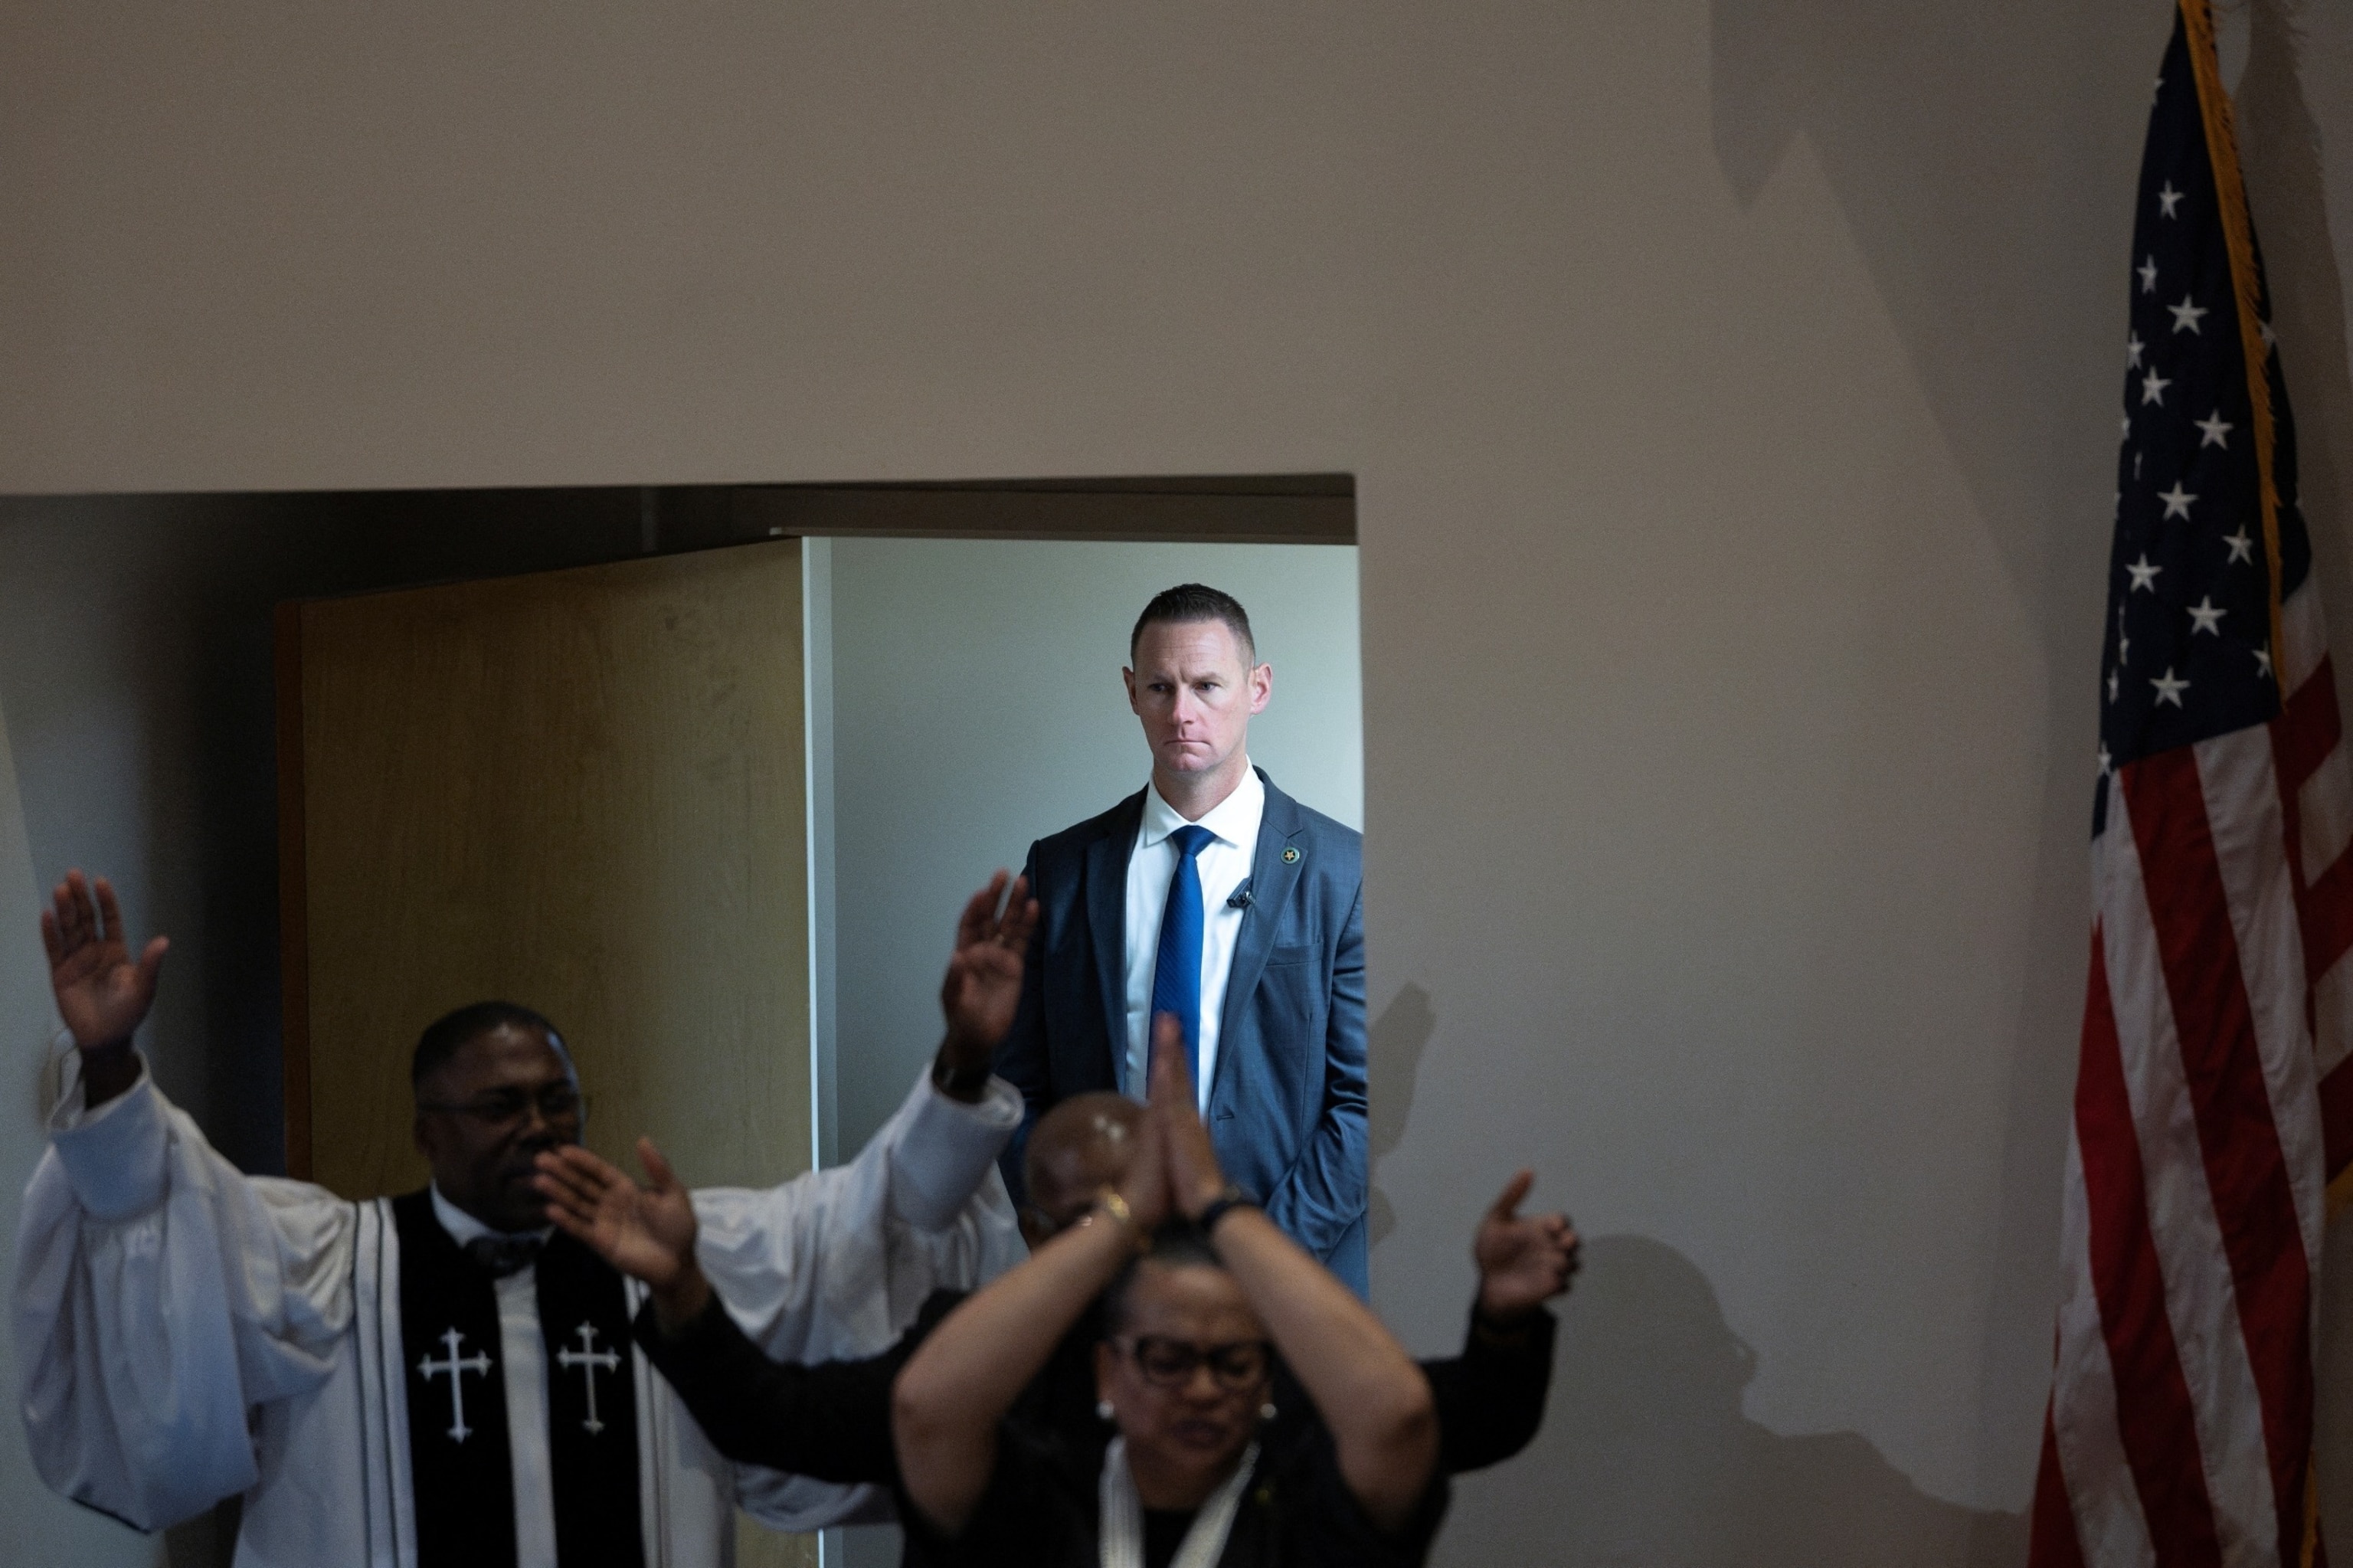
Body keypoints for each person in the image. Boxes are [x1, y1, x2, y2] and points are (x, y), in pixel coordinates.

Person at [15, 868, 1035, 1568]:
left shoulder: (676, 1259)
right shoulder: (328, 1265)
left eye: (558, 1101)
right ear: (427, 1131)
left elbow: (874, 1221)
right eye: (501, 1106)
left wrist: (964, 1057)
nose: (538, 1126)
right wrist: (109, 1059)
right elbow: (159, 1213)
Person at [532, 1052, 1576, 1501]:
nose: (1130, 1242)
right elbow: (773, 1418)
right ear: (1039, 1230)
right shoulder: (979, 1365)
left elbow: (1463, 1417)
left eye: (1150, 1208)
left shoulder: (1254, 1354)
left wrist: (1507, 1319)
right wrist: (681, 1290)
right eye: (1097, 1219)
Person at [892, 1039, 1441, 1566]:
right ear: (1108, 1372)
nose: (1203, 1390)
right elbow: (925, 1411)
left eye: (1235, 1364)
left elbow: (1399, 1414)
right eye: (1167, 1359)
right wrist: (1125, 1214)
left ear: (1269, 1379)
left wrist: (1213, 1203)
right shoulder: (1042, 1506)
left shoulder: (1302, 1514)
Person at [994, 584, 1372, 1291]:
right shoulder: (1063, 868)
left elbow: (1362, 1104)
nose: (1182, 712)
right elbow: (1018, 1082)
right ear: (1131, 691)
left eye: (1207, 685)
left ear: (1257, 688)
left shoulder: (1342, 871)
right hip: (1105, 1273)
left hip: (1297, 1280)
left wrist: (1255, 1255)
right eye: (1161, 687)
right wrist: (1073, 1230)